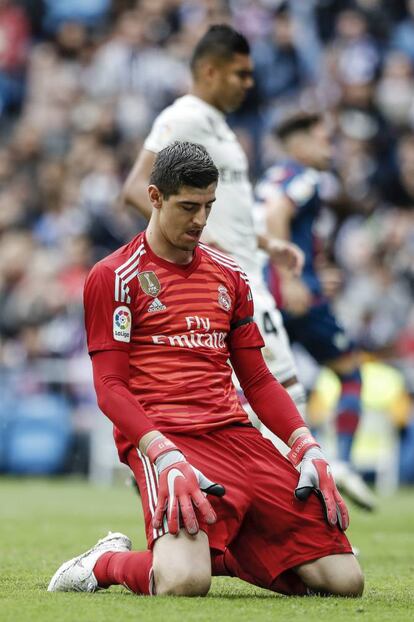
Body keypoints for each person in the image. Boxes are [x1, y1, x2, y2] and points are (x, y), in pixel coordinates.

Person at [48, 141, 364, 598]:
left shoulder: (229, 275)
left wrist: (306, 445)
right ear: (154, 197)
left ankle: (216, 547)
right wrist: (161, 453)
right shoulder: (115, 276)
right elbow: (110, 386)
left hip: (237, 436)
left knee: (343, 582)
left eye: (208, 206)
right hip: (167, 439)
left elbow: (255, 378)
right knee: (182, 582)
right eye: (188, 207)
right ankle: (104, 563)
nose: (199, 220)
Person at [122, 24, 307, 421]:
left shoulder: (219, 126)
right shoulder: (184, 116)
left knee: (257, 397)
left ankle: (196, 469)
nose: (248, 83)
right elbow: (137, 187)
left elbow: (227, 214)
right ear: (209, 71)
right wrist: (196, 250)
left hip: (247, 272)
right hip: (227, 280)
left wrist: (267, 244)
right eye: (240, 74)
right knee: (284, 395)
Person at [254, 111, 376, 510]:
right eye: (324, 139)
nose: (331, 148)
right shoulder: (307, 177)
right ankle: (340, 461)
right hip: (293, 297)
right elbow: (276, 217)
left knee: (268, 389)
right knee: (350, 372)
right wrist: (292, 279)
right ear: (300, 142)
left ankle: (269, 480)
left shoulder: (271, 177)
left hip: (262, 297)